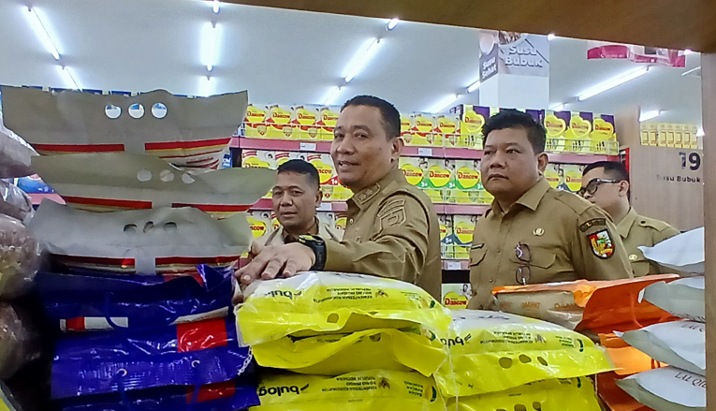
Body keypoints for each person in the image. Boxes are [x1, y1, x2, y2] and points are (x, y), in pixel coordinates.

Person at [237, 95, 441, 299]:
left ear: (394, 148)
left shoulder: (402, 200)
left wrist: (316, 252)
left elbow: (399, 260)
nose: (343, 147)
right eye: (339, 136)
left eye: (361, 136)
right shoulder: (365, 207)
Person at [468, 110, 633, 310]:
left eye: (511, 151)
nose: (496, 161)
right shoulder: (485, 223)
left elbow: (618, 302)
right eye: (488, 152)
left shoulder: (578, 217)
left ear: (540, 162)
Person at [580, 160, 680, 276]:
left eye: (593, 186)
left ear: (622, 188)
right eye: (583, 191)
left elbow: (681, 284)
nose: (586, 195)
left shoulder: (659, 235)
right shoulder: (583, 237)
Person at [250, 159, 340, 257]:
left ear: (317, 198)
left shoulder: (342, 245)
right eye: (278, 193)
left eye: (295, 192)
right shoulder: (259, 249)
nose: (285, 201)